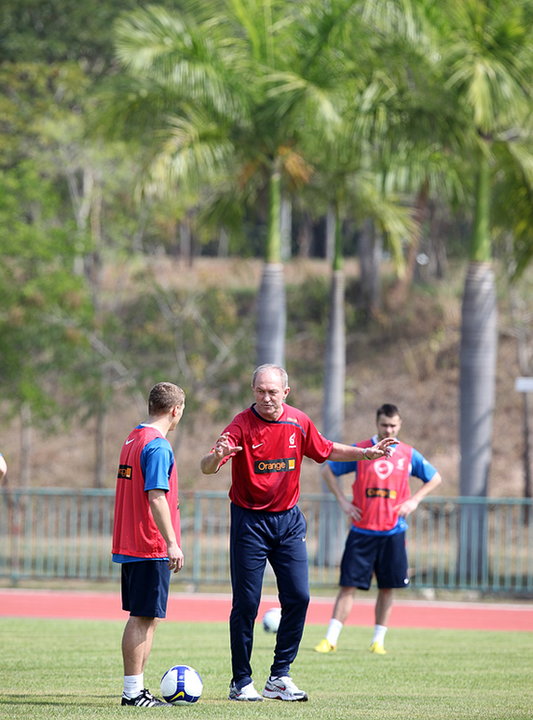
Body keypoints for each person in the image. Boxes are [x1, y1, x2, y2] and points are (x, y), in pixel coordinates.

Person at [200, 365, 396, 702]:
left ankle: (279, 676)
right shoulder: (241, 425)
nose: (266, 397)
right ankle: (241, 681)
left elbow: (326, 449)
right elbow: (207, 466)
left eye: (272, 391)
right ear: (252, 391)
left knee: (299, 598)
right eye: (260, 391)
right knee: (246, 602)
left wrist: (365, 453)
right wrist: (215, 456)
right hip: (250, 522)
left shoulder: (297, 421)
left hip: (288, 522)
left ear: (285, 392)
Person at [314, 403, 442, 656]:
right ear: (377, 423)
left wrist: (414, 500)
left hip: (393, 531)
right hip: (362, 530)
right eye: (384, 425)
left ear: (400, 425)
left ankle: (377, 641)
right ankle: (330, 639)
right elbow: (328, 470)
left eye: (393, 425)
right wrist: (342, 500)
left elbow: (435, 478)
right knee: (348, 586)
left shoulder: (407, 453)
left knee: (387, 587)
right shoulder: (362, 450)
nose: (388, 430)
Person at [112, 381, 186, 708]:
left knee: (145, 616)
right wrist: (172, 542)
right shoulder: (157, 445)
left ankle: (136, 689)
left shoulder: (133, 437)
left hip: (133, 541)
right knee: (143, 617)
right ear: (175, 410)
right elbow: (156, 495)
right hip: (149, 542)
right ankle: (133, 692)